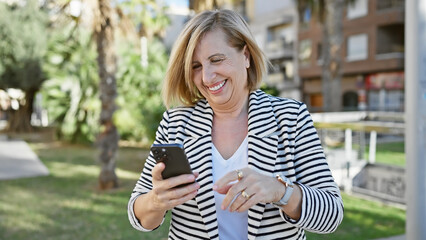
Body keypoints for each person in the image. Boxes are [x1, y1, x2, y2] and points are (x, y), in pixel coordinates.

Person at [128, 9, 344, 240]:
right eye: (196, 66)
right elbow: (137, 215)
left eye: (216, 60)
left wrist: (280, 191)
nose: (207, 78)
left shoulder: (290, 118)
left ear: (246, 56)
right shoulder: (176, 122)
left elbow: (331, 215)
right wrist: (156, 200)